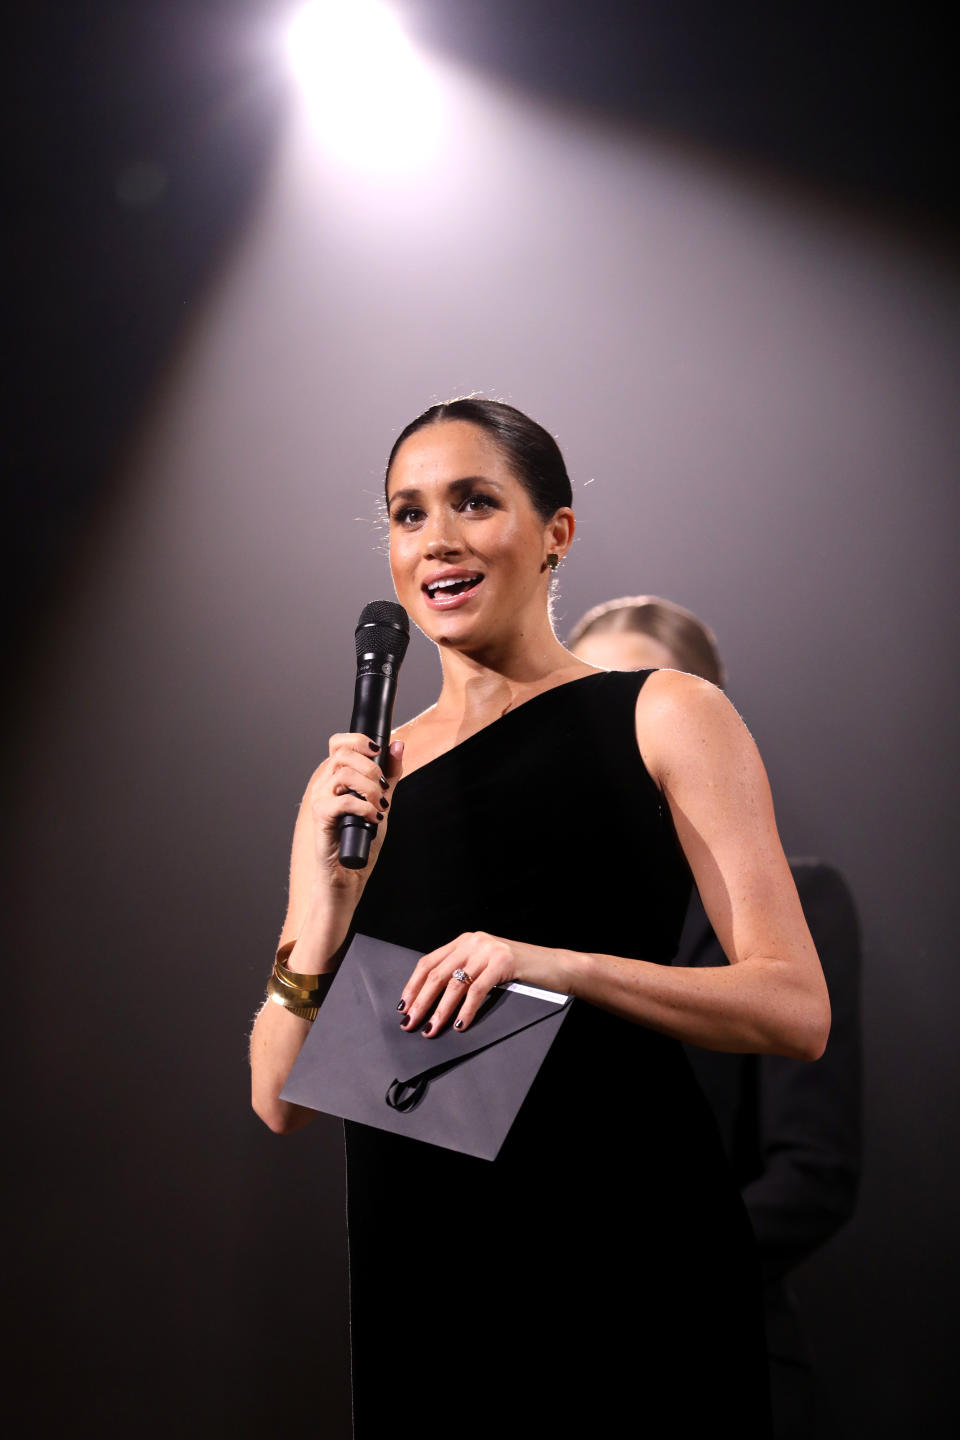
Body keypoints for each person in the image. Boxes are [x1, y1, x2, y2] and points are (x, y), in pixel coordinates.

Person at [249, 399, 831, 1438]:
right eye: (408, 513)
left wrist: (549, 964)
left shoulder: (663, 715)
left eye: (475, 502)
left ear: (557, 532)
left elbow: (793, 1006)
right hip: (426, 1273)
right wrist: (328, 916)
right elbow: (277, 1099)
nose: (439, 541)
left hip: (627, 1252)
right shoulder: (354, 785)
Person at [569, 595, 862, 1440]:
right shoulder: (531, 911)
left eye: (637, 693)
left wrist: (643, 1280)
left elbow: (814, 1173)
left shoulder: (802, 903)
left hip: (717, 1360)